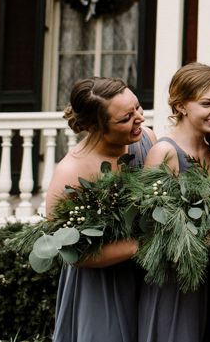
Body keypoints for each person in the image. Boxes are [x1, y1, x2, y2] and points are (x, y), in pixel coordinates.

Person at [49, 76, 154, 342]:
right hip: (103, 290)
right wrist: (140, 245)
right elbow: (69, 250)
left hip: (152, 281)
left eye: (138, 108)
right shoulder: (71, 171)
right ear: (96, 127)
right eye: (125, 118)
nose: (139, 118)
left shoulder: (147, 140)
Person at [139, 64, 210, 342]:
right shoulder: (164, 152)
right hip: (178, 282)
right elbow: (153, 229)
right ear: (181, 106)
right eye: (207, 103)